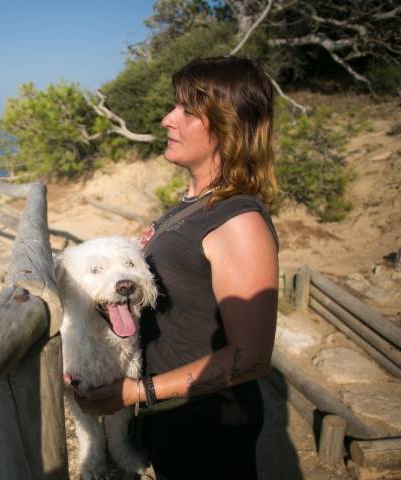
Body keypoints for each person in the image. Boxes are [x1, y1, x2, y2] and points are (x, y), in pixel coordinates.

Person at [74, 56, 279, 479]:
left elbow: (252, 357)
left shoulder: (238, 222)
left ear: (227, 125)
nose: (167, 119)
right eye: (173, 106)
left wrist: (134, 392)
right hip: (173, 418)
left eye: (187, 110)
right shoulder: (193, 206)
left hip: (208, 426)